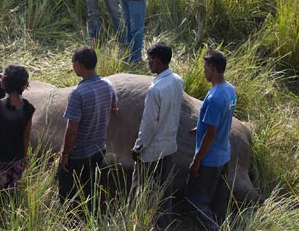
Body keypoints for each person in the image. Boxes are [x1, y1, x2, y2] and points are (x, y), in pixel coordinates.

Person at [57, 46, 118, 213]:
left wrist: (65, 154)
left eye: (72, 63)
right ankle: (91, 217)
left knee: (67, 191)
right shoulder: (107, 85)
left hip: (79, 153)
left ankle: (70, 220)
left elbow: (72, 130)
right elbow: (114, 108)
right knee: (90, 187)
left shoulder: (78, 93)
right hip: (99, 149)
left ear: (79, 64)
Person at [130, 43, 184, 229]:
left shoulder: (155, 90)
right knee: (164, 191)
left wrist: (138, 147)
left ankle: (135, 223)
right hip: (170, 146)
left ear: (159, 61)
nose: (149, 62)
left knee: (138, 189)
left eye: (151, 59)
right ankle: (162, 225)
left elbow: (149, 124)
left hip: (151, 150)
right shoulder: (177, 80)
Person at [185, 50, 237, 230]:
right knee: (218, 203)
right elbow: (221, 120)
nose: (204, 70)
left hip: (210, 159)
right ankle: (221, 225)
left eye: (205, 67)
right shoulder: (230, 90)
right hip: (224, 155)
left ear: (213, 68)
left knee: (194, 201)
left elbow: (211, 134)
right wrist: (201, 127)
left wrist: (196, 160)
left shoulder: (215, 97)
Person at [0, 65, 35, 199]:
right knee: (10, 194)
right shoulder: (28, 108)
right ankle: (7, 216)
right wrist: (24, 157)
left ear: (4, 83)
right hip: (15, 158)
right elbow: (26, 136)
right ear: (25, 85)